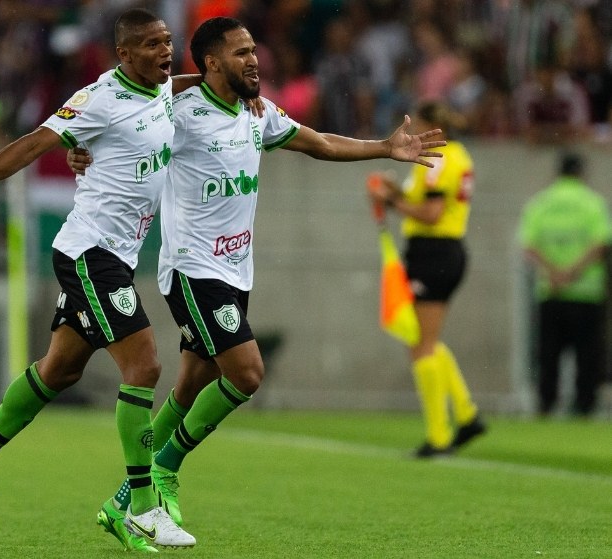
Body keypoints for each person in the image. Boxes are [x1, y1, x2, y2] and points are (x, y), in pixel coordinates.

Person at [69, 16, 446, 542]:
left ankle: (124, 502)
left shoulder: (257, 112)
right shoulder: (178, 111)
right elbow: (122, 122)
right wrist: (80, 150)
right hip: (192, 270)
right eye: (242, 52)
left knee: (192, 381)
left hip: (236, 269)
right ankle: (164, 470)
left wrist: (384, 148)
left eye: (254, 51)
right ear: (212, 63)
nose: (255, 60)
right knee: (246, 373)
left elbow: (317, 143)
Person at [0, 8, 199, 550]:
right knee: (144, 363)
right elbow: (33, 142)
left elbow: (187, 85)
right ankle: (143, 506)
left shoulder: (164, 88)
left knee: (60, 370)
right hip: (89, 252)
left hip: (116, 255)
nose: (165, 52)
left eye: (167, 42)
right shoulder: (99, 98)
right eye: (150, 45)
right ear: (123, 55)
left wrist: (232, 89)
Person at [367, 101, 486, 458]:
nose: (414, 130)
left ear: (434, 125)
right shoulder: (456, 155)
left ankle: (439, 435)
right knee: (426, 339)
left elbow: (432, 214)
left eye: (418, 123)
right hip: (439, 252)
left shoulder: (439, 158)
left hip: (434, 253)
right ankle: (466, 414)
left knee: (420, 343)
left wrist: (392, 203)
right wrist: (396, 193)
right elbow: (428, 204)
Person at [518, 152, 612, 417]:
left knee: (549, 352)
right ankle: (584, 405)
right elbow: (601, 243)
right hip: (586, 293)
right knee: (587, 353)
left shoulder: (541, 203)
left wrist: (555, 273)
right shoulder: (593, 203)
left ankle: (546, 403)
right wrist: (572, 272)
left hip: (550, 290)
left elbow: (528, 245)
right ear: (582, 173)